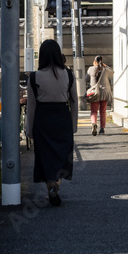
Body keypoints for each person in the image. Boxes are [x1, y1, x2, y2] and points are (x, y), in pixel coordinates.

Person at [24, 39, 78, 206]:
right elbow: (74, 101)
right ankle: (56, 184)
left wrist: (29, 129)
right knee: (62, 155)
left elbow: (31, 106)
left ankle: (50, 184)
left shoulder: (34, 77)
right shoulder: (68, 74)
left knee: (45, 156)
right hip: (62, 117)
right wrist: (73, 125)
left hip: (42, 119)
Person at [86, 55, 114, 136]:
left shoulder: (91, 69)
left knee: (94, 111)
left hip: (95, 93)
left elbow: (86, 79)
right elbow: (112, 72)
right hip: (104, 93)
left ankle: (94, 123)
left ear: (94, 61)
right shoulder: (105, 70)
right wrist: (105, 66)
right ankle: (102, 129)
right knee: (103, 111)